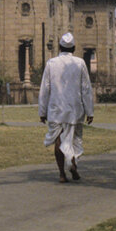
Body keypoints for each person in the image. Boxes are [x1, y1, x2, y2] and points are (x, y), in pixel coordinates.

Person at [38, 33, 94, 183]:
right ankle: (73, 164)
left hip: (56, 108)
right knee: (74, 138)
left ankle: (62, 174)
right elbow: (86, 89)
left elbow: (45, 88)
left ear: (59, 47)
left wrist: (42, 111)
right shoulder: (80, 63)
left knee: (58, 140)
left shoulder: (51, 63)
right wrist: (90, 111)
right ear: (74, 48)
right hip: (75, 109)